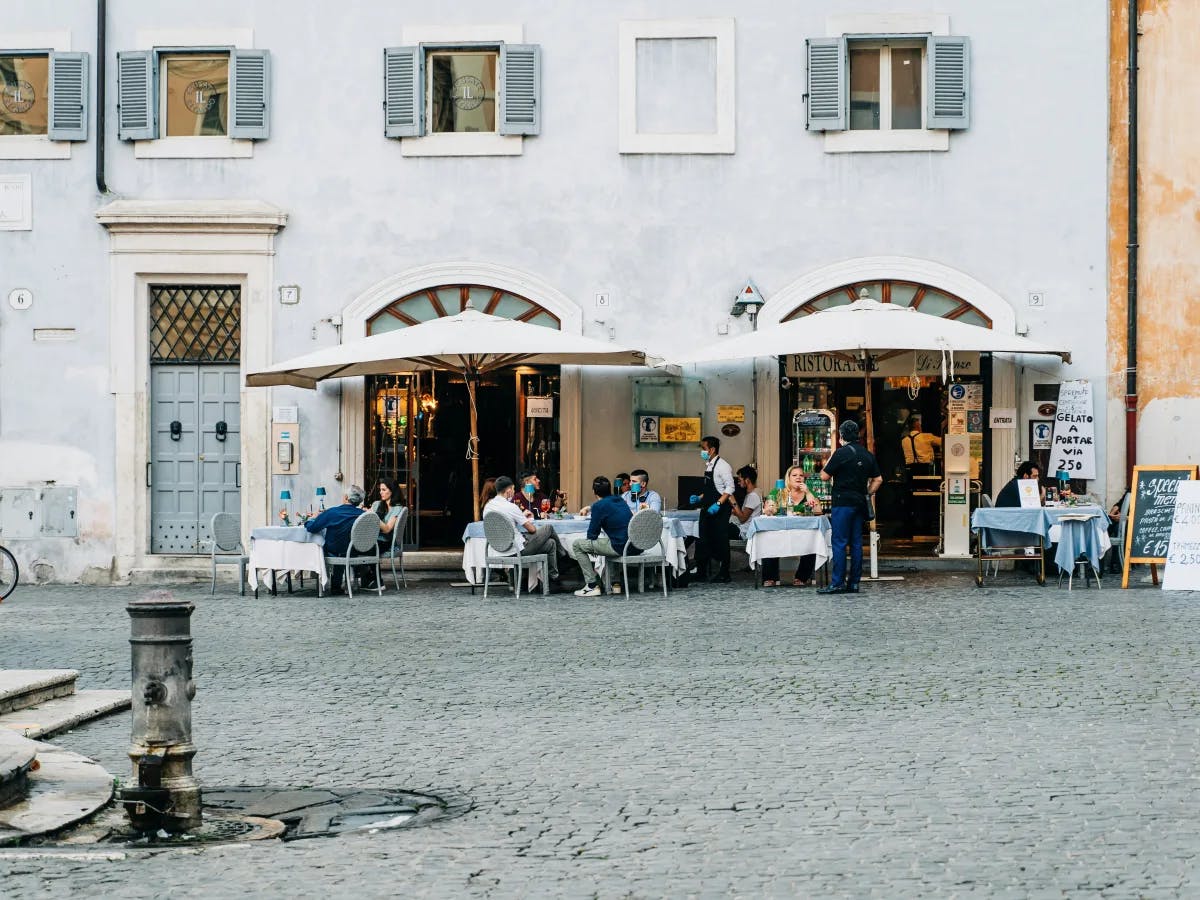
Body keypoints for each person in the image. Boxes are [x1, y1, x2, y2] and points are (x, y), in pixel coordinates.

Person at [817, 421, 882, 595]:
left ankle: (837, 582)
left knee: (839, 542)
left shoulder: (840, 453)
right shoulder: (868, 455)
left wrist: (832, 458)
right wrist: (867, 493)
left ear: (841, 436)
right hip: (860, 503)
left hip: (842, 502)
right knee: (856, 543)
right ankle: (854, 583)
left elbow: (823, 476)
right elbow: (878, 479)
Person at [483, 476, 564, 585]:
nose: (514, 491)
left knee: (551, 543)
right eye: (513, 489)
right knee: (548, 528)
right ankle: (563, 554)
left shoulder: (488, 506)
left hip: (496, 549)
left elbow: (505, 522)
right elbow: (532, 529)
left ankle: (554, 579)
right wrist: (523, 517)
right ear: (508, 491)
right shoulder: (511, 506)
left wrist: (518, 517)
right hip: (516, 550)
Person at [759, 465, 823, 588]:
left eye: (801, 475)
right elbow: (768, 508)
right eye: (794, 475)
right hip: (780, 532)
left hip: (802, 533)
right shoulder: (779, 491)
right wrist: (770, 509)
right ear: (788, 478)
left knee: (811, 542)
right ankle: (770, 577)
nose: (798, 478)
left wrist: (808, 492)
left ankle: (802, 577)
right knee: (768, 539)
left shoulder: (808, 492)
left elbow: (818, 511)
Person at [573, 475, 635, 596]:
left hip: (619, 547)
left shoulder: (598, 506)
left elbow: (592, 534)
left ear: (594, 491)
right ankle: (615, 584)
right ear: (610, 489)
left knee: (577, 545)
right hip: (635, 545)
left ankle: (592, 585)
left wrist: (593, 547)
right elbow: (608, 505)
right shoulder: (619, 500)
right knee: (610, 540)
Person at [305, 485, 367, 594]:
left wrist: (311, 519)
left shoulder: (333, 512)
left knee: (326, 547)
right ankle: (336, 585)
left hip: (334, 549)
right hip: (354, 550)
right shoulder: (363, 515)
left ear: (346, 497)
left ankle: (325, 582)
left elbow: (312, 528)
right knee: (341, 547)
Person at [692, 435, 735, 583]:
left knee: (720, 540)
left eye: (704, 449)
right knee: (702, 539)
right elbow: (713, 488)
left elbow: (730, 488)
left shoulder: (723, 466)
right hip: (707, 508)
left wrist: (718, 504)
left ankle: (724, 573)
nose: (702, 452)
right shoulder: (709, 465)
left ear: (712, 449)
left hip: (719, 510)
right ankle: (701, 572)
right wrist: (699, 498)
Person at [729, 465, 762, 539]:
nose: (738, 483)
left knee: (717, 527)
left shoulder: (753, 496)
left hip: (743, 532)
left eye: (740, 480)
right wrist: (734, 512)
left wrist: (733, 501)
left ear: (747, 480)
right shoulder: (755, 492)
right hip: (742, 527)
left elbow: (743, 519)